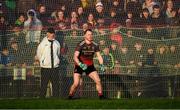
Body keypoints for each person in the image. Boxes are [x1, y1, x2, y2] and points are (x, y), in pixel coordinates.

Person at [68, 29, 105, 99]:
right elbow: (75, 57)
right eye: (88, 34)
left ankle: (101, 96)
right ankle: (70, 96)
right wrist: (80, 64)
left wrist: (102, 65)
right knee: (76, 83)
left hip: (90, 65)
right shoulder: (80, 44)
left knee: (98, 80)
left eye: (91, 34)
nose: (90, 36)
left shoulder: (95, 45)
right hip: (79, 65)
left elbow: (99, 56)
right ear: (85, 35)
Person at [36, 28, 61, 98]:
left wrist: (56, 61)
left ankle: (56, 98)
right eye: (50, 33)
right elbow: (39, 54)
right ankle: (42, 98)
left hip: (55, 67)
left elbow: (58, 53)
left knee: (55, 84)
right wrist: (43, 61)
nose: (52, 34)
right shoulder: (43, 43)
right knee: (44, 84)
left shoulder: (57, 43)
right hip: (45, 67)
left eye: (53, 33)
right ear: (47, 33)